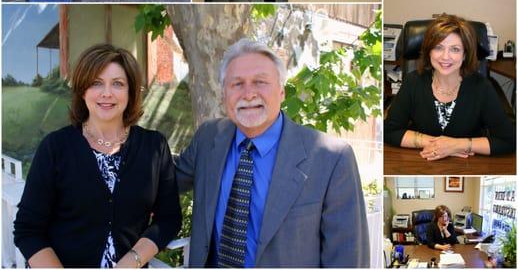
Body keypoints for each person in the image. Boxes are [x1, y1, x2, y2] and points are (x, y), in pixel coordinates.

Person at [175, 38, 369, 267]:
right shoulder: (209, 137)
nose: (248, 94)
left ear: (282, 92)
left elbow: (347, 260)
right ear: (223, 94)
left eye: (260, 82)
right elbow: (164, 179)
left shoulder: (331, 159)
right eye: (237, 84)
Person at [13, 44, 181, 267]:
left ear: (130, 91)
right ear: (83, 90)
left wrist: (132, 260)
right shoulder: (55, 147)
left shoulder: (154, 147)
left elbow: (168, 218)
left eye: (118, 84)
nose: (106, 93)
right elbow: (28, 229)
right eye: (96, 83)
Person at [384, 14, 516, 160]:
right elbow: (390, 131)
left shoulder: (481, 87)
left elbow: (509, 140)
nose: (445, 57)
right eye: (438, 47)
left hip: (469, 166)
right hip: (422, 161)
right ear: (429, 51)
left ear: (465, 54)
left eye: (455, 49)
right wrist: (443, 145)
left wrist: (458, 145)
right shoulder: (413, 82)